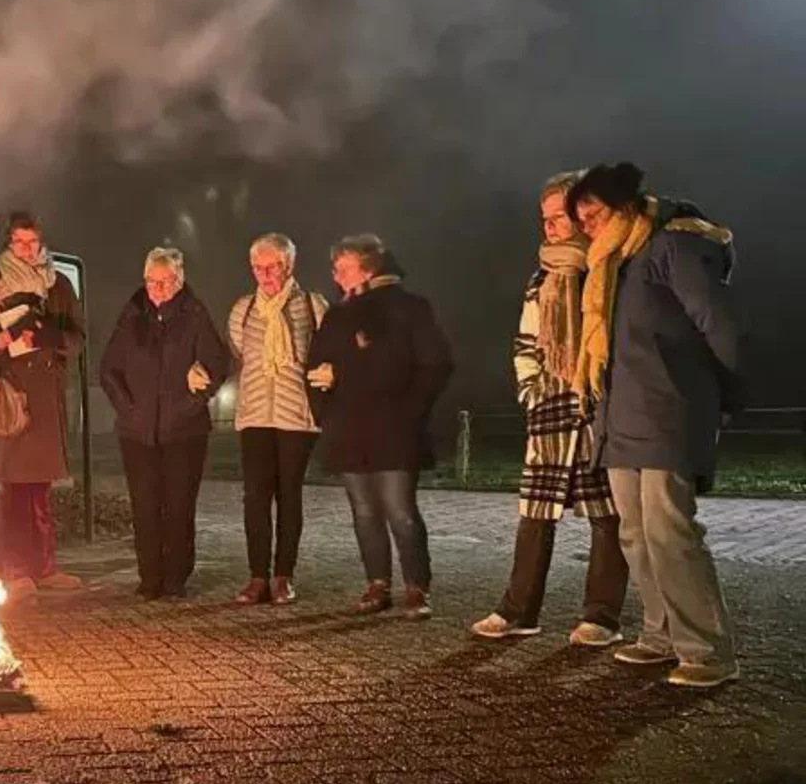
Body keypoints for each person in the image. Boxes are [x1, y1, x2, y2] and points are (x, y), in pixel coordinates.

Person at [566, 162, 741, 688]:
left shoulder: (671, 247)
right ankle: (660, 635)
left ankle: (707, 649)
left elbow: (720, 324)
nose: (586, 226)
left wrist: (726, 396)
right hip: (621, 416)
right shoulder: (611, 263)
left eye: (591, 213)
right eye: (581, 218)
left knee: (670, 531)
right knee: (636, 533)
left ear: (622, 205)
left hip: (669, 409)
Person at [472, 171, 629, 646]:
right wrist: (530, 390)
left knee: (607, 513)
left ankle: (601, 617)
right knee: (535, 511)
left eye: (560, 217)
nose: (552, 227)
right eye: (545, 219)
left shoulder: (609, 266)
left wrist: (604, 391)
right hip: (550, 406)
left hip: (598, 406)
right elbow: (525, 341)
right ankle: (518, 610)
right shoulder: (541, 274)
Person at [306, 234, 452, 620]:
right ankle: (377, 584)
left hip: (395, 428)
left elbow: (435, 364)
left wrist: (411, 412)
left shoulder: (410, 309)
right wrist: (324, 396)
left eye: (343, 268)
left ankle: (417, 587)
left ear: (368, 269)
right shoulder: (338, 316)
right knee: (364, 510)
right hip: (350, 427)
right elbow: (316, 363)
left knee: (400, 510)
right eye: (335, 269)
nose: (335, 275)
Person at [99, 247, 232, 599]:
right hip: (136, 432)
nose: (157, 289)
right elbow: (108, 369)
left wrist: (194, 399)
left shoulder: (195, 315)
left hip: (184, 432)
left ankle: (176, 578)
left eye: (165, 282)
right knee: (144, 506)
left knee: (178, 506)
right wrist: (127, 408)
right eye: (151, 281)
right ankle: (149, 578)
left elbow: (218, 364)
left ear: (179, 280)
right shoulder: (132, 316)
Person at [0, 211, 84, 598]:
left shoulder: (59, 286)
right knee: (15, 489)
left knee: (41, 490)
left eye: (32, 242)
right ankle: (15, 570)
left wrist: (49, 333)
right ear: (8, 244)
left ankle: (45, 567)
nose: (27, 249)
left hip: (46, 397)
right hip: (12, 398)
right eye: (19, 242)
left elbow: (78, 338)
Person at [227, 233, 328, 605]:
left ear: (289, 266)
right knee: (254, 497)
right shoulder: (243, 309)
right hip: (254, 414)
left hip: (295, 418)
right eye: (258, 267)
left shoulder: (313, 306)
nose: (265, 274)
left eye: (273, 267)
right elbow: (239, 353)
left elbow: (328, 351)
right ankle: (257, 576)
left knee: (289, 496)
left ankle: (283, 576)